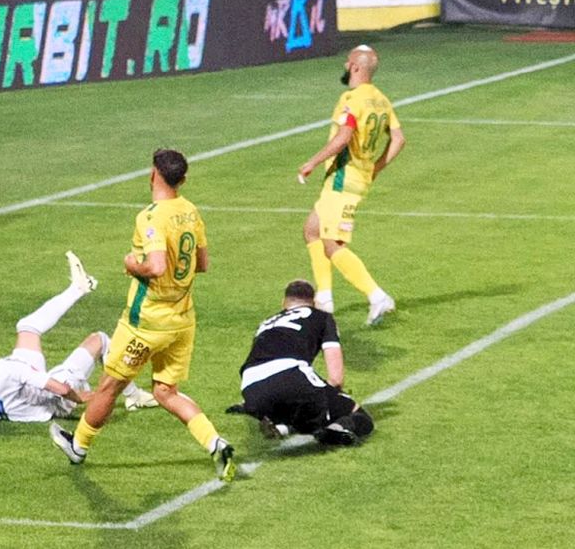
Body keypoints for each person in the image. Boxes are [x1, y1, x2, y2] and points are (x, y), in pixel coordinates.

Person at [49, 148, 238, 482]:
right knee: (166, 392)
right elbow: (203, 264)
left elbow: (156, 265)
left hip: (146, 323)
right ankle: (215, 442)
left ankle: (78, 446)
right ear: (183, 179)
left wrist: (130, 264)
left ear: (154, 174)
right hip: (182, 319)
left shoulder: (151, 217)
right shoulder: (190, 211)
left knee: (110, 385)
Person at [0, 252, 159, 422]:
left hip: (18, 393)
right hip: (52, 402)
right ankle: (133, 395)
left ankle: (77, 289)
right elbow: (57, 387)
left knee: (27, 326)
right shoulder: (10, 370)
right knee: (100, 340)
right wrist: (80, 397)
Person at [298, 44, 405, 325]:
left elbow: (344, 137)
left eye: (348, 63)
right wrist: (377, 166)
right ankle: (324, 298)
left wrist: (312, 161)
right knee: (312, 230)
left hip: (344, 178)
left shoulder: (352, 99)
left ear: (356, 67)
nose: (346, 67)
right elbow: (398, 139)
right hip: (358, 177)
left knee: (332, 244)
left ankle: (377, 296)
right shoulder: (381, 100)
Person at [227, 279, 374, 446]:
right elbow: (336, 378)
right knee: (360, 417)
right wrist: (334, 396)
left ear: (284, 303)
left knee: (298, 401)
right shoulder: (322, 317)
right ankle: (333, 429)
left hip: (250, 387)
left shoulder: (267, 322)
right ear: (314, 302)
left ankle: (280, 424)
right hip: (290, 377)